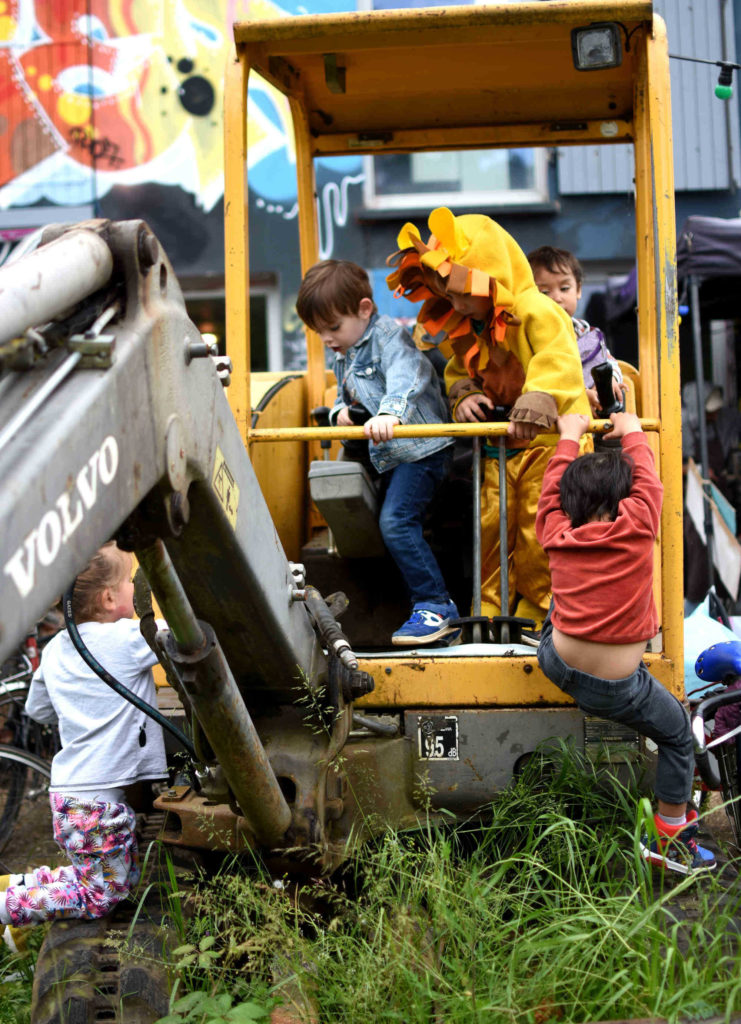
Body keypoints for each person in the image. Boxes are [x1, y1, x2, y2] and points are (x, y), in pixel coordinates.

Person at [386, 207, 591, 630]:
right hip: (500, 445)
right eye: (451, 296)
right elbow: (461, 367)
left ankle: (539, 616)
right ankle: (490, 613)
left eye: (462, 293)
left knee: (539, 530)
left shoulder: (537, 310)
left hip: (552, 445)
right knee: (491, 531)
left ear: (492, 278)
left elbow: (559, 359)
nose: (456, 304)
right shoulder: (472, 322)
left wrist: (538, 400)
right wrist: (464, 394)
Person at [535, 411, 716, 874]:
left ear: (571, 503)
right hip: (615, 687)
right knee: (677, 736)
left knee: (561, 605)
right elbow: (651, 483)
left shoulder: (557, 533)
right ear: (625, 499)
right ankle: (670, 841)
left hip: (556, 661)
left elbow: (548, 494)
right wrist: (633, 430)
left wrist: (568, 438)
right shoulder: (637, 527)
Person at [0, 542, 168, 952]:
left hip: (72, 797)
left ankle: (18, 884)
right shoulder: (130, 638)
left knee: (116, 878)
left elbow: (39, 709)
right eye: (130, 582)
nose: (134, 588)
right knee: (102, 896)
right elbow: (182, 633)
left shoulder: (57, 648)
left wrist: (81, 707)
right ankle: (8, 905)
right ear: (110, 597)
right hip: (94, 806)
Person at [296, 259, 459, 646]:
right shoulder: (346, 351)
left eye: (333, 327)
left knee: (397, 522)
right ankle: (421, 608)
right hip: (391, 454)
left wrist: (390, 412)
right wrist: (340, 413)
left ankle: (436, 606)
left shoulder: (388, 337)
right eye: (319, 332)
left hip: (421, 449)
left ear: (365, 309)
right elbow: (344, 393)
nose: (327, 339)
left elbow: (409, 374)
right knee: (378, 524)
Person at [527, 245, 624, 411]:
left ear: (578, 289)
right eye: (544, 292)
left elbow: (609, 362)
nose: (556, 298)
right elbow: (545, 379)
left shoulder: (585, 333)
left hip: (588, 422)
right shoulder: (529, 336)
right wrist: (582, 394)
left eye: (564, 288)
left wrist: (609, 381)